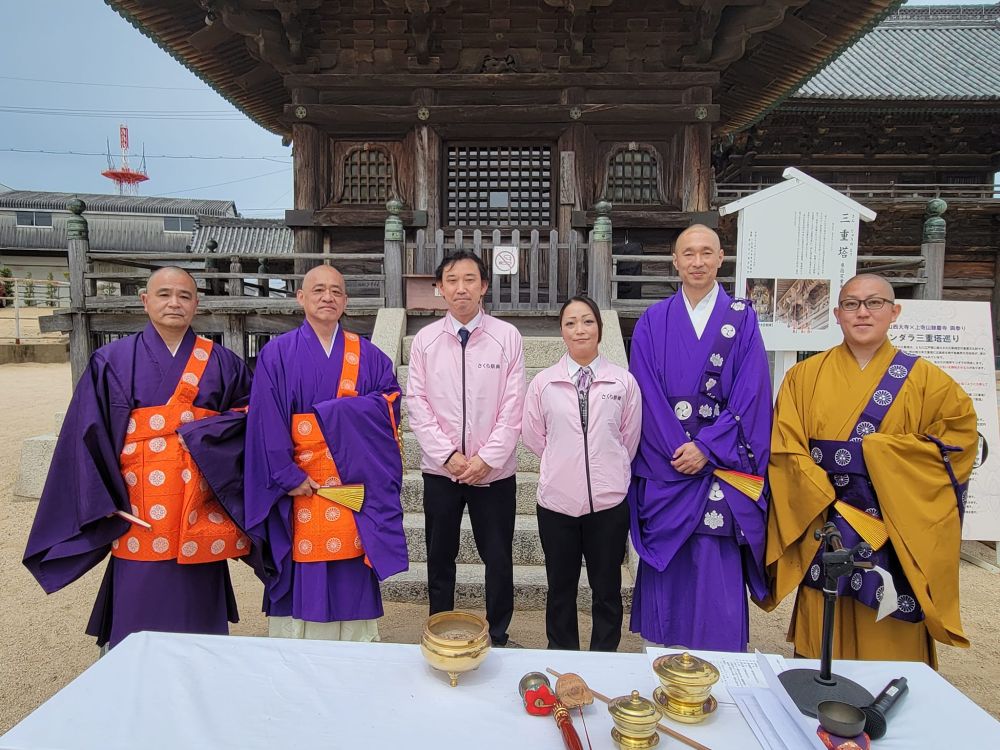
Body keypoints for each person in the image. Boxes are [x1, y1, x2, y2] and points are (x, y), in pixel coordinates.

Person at [23, 266, 253, 649]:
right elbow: (86, 437)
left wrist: (201, 435)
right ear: (145, 301)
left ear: (197, 304)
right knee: (139, 613)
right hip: (138, 507)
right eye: (164, 294)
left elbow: (250, 422)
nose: (174, 303)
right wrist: (105, 501)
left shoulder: (224, 362)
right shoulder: (111, 360)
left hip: (197, 507)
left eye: (184, 295)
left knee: (199, 617)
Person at [765, 274, 977, 666]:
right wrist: (828, 500)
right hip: (826, 523)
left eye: (874, 303)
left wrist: (881, 455)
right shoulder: (803, 378)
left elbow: (959, 444)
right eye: (851, 304)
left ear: (894, 312)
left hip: (894, 529)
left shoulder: (930, 383)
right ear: (836, 314)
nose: (862, 312)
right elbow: (786, 450)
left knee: (890, 642)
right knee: (824, 635)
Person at [627, 224, 772, 651]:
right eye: (688, 254)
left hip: (721, 467)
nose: (697, 262)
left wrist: (708, 449)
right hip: (669, 464)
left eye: (706, 253)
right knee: (670, 571)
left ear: (720, 258)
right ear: (674, 261)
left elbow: (753, 394)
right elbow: (646, 396)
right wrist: (682, 450)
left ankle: (722, 670)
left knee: (715, 562)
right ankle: (664, 662)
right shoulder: (653, 320)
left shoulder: (742, 320)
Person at [244, 264, 408, 641]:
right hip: (300, 484)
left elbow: (390, 404)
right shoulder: (277, 354)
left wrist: (339, 420)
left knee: (351, 563)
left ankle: (353, 648)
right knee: (302, 562)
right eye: (318, 290)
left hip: (351, 482)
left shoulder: (369, 355)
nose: (327, 297)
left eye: (336, 291)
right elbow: (265, 419)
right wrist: (286, 474)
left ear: (346, 301)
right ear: (301, 298)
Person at [406, 250, 525, 646]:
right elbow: (417, 403)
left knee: (498, 556)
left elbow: (514, 405)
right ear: (439, 288)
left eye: (470, 279)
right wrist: (447, 456)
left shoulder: (506, 337)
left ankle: (498, 632)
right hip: (442, 472)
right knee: (440, 555)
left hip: (493, 474)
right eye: (452, 280)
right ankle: (439, 628)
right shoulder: (425, 341)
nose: (461, 288)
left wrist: (487, 459)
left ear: (484, 286)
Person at [521, 295, 641, 651]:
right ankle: (564, 656)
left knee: (606, 589)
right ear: (562, 331)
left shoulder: (622, 383)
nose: (579, 329)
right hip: (557, 505)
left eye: (587, 321)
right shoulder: (544, 383)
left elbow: (628, 439)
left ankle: (605, 656)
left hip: (607, 506)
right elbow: (533, 436)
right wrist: (564, 463)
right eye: (571, 322)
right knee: (560, 588)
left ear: (600, 329)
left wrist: (607, 469)